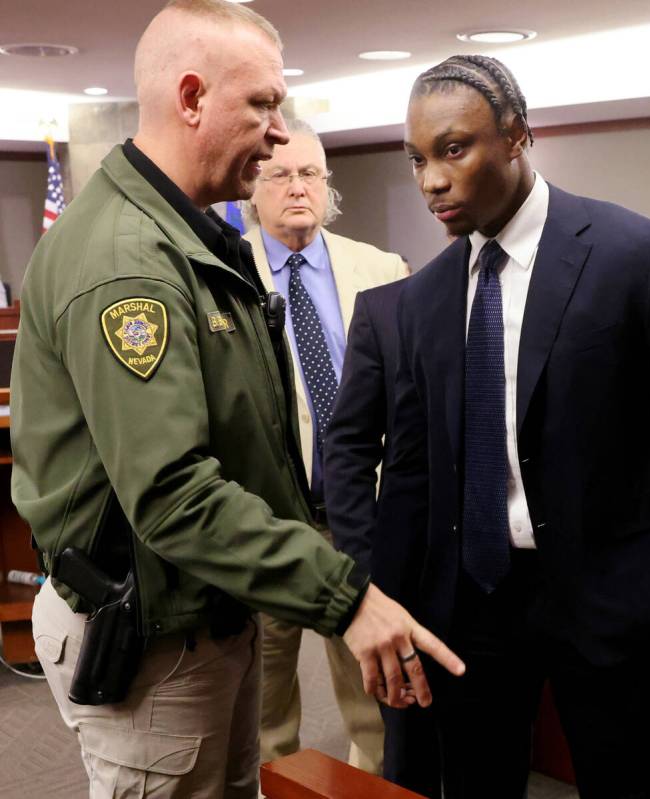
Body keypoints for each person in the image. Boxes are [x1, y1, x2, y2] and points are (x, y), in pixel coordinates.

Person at [9, 3, 463, 795]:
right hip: (151, 633)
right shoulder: (131, 262)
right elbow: (174, 493)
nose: (280, 132)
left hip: (208, 609)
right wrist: (343, 596)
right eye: (261, 105)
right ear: (191, 98)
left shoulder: (188, 237)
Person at [376, 54, 650, 799]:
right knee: (476, 783)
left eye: (453, 149)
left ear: (518, 136)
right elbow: (417, 468)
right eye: (417, 158)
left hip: (612, 598)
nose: (429, 180)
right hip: (474, 602)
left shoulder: (636, 256)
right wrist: (391, 603)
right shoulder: (424, 297)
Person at [242, 118, 407, 772]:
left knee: (378, 689)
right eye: (278, 174)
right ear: (252, 188)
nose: (297, 188)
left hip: (360, 516)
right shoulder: (219, 273)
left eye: (310, 173)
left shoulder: (381, 268)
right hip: (271, 521)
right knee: (262, 704)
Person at [324, 278, 442, 798]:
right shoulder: (389, 307)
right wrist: (364, 578)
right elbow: (348, 447)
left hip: (521, 580)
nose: (436, 189)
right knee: (409, 752)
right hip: (407, 584)